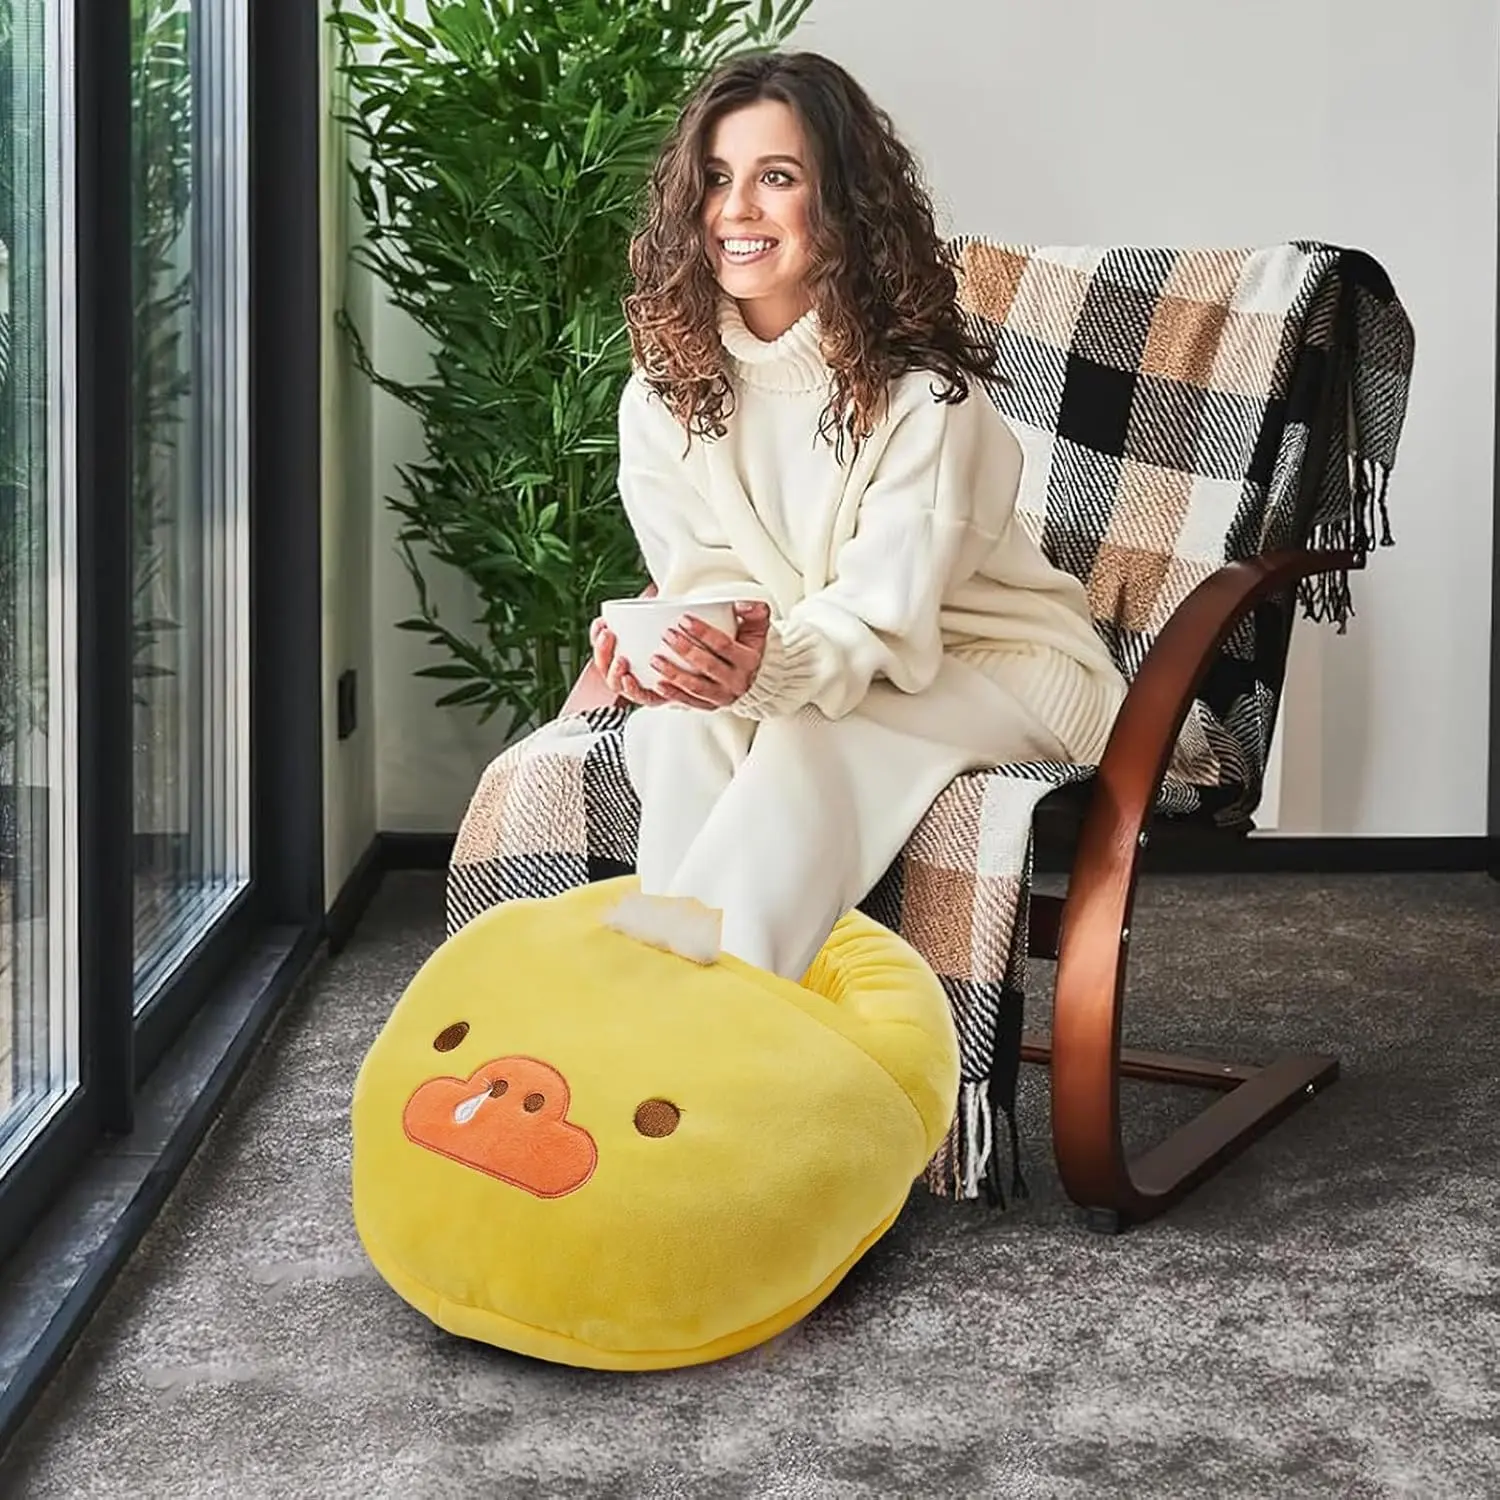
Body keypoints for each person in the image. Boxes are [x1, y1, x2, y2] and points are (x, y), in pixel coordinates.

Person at [588, 50, 1127, 981]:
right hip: (829, 662)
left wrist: (765, 669)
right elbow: (712, 581)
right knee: (679, 729)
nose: (736, 209)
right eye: (715, 178)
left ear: (841, 203)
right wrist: (690, 658)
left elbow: (884, 621)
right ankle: (672, 1006)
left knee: (810, 744)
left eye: (777, 178)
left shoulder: (927, 400)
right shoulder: (662, 396)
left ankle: (705, 1029)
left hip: (1000, 669)